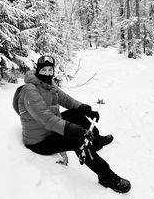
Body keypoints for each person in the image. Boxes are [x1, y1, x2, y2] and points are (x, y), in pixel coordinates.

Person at [17, 55, 131, 193]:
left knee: (76, 114)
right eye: (44, 70)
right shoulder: (30, 90)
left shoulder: (47, 84)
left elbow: (66, 100)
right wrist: (74, 131)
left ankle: (97, 141)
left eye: (50, 70)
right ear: (37, 70)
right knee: (78, 140)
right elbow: (47, 119)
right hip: (40, 140)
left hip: (50, 128)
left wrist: (84, 108)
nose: (47, 73)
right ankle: (106, 177)